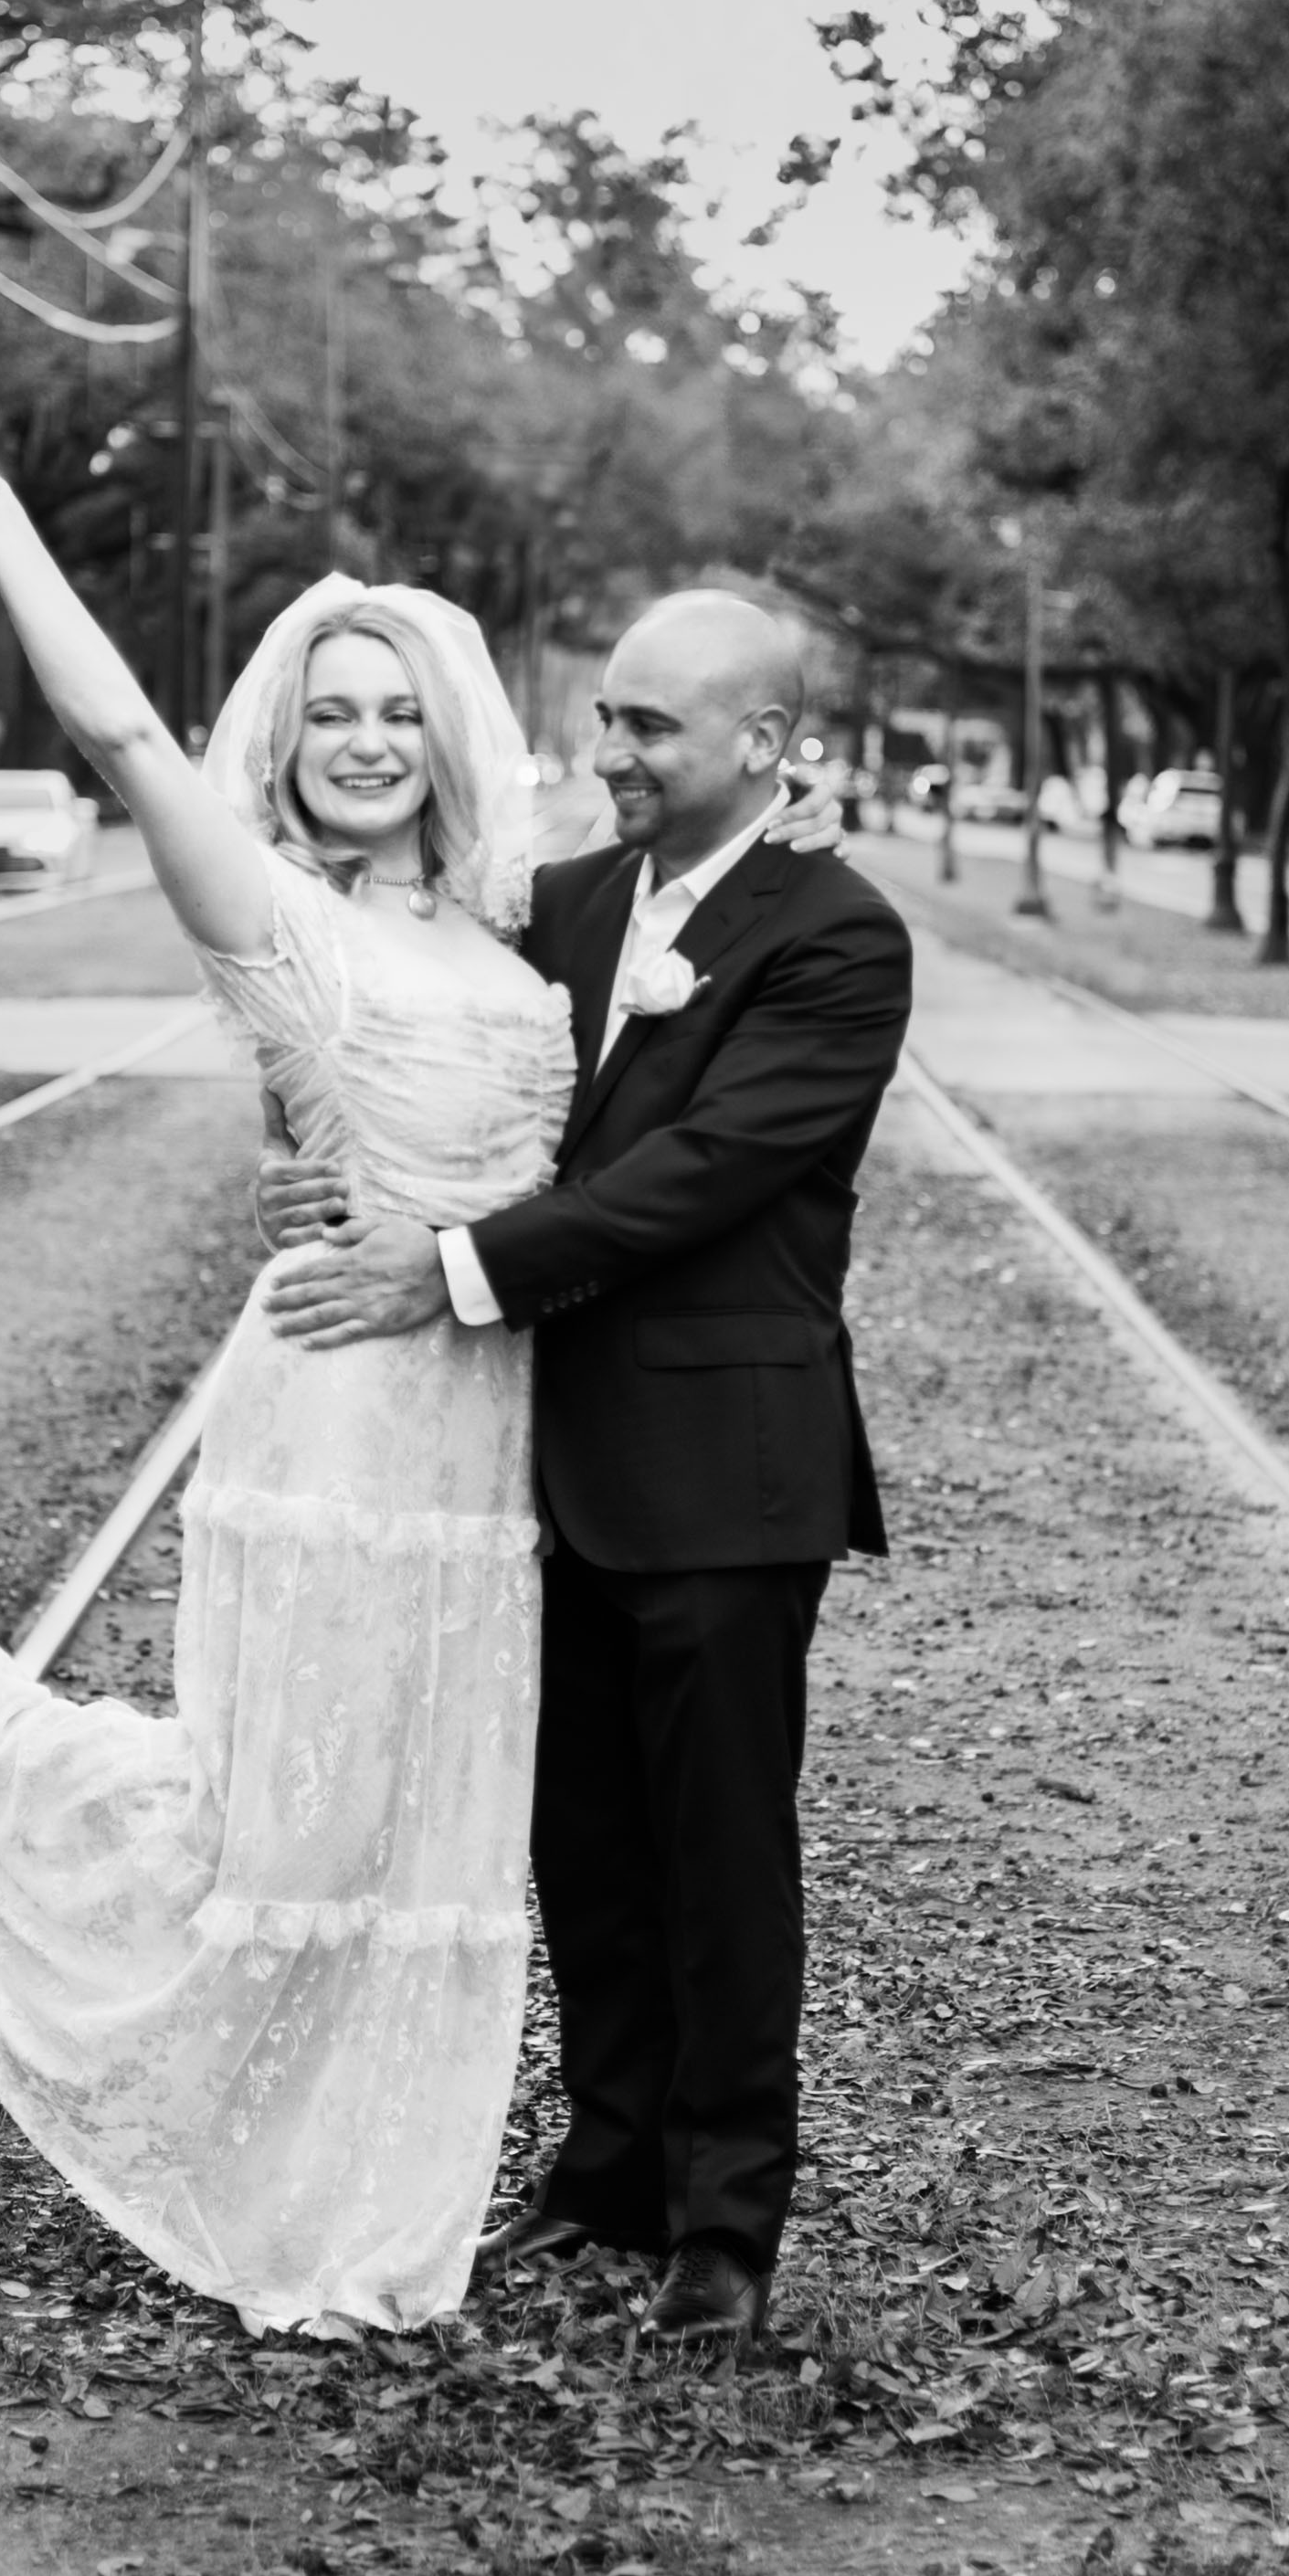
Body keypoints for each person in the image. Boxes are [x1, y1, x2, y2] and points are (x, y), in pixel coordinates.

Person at [0, 469, 586, 2335]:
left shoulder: (517, 937)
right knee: (274, 1832)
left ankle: (378, 2228)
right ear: (280, 753)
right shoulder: (272, 915)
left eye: (395, 714)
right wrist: (1, 515)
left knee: (427, 1836)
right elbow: (117, 726)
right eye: (328, 716)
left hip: (492, 1425)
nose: (365, 743)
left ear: (449, 740)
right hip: (338, 1423)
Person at [259, 590, 914, 2349]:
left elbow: (693, 1175)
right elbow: (440, 1072)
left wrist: (446, 1265)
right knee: (585, 1845)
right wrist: (327, 1180)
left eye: (649, 729)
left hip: (724, 1466)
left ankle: (725, 2218)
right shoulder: (562, 905)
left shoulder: (839, 938)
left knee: (717, 1848)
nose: (605, 751)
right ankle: (608, 2161)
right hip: (533, 1459)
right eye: (605, 718)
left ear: (766, 750)